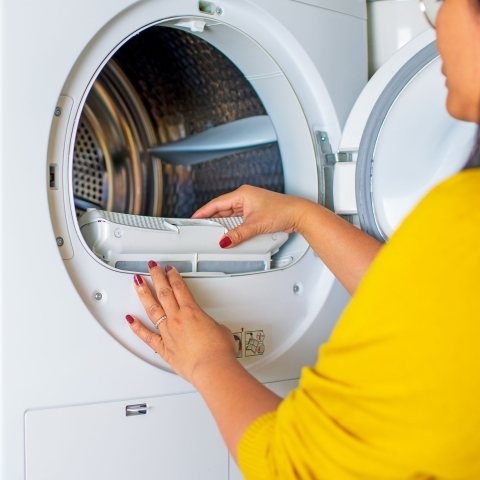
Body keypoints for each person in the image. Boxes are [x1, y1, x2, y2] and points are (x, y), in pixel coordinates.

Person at [125, 0, 480, 477]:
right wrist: (303, 218)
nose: (431, 21)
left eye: (442, 3)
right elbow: (435, 314)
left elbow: (294, 466)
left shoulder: (460, 212)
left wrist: (208, 361)